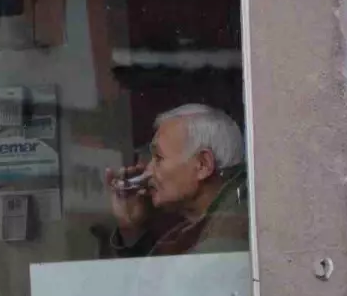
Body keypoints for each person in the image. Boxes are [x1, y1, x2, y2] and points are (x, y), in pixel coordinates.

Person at [100, 104, 249, 256]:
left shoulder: (227, 236)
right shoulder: (216, 224)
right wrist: (131, 228)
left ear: (202, 165)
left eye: (158, 158)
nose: (148, 171)